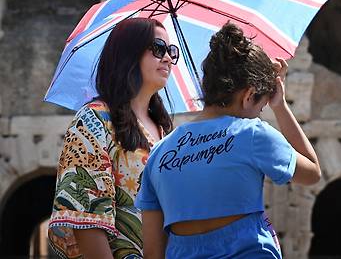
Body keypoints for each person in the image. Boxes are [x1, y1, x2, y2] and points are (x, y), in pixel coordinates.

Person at [136, 22, 322, 259]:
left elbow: (153, 252)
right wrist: (281, 106)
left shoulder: (159, 153)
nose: (260, 113)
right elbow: (312, 171)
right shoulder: (253, 133)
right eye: (262, 106)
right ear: (248, 96)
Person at [48, 17, 177, 258]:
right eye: (158, 48)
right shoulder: (93, 120)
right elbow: (86, 216)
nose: (168, 58)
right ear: (129, 54)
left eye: (171, 51)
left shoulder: (166, 131)